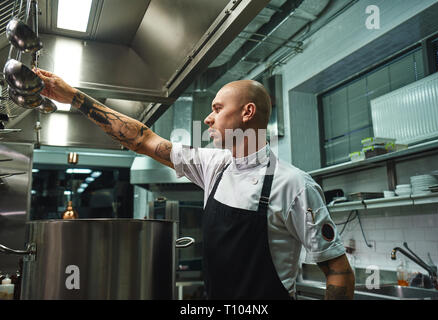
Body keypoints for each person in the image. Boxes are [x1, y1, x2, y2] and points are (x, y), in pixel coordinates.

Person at [33, 68, 355, 300]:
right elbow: (142, 139)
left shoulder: (294, 185)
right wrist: (74, 97)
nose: (208, 119)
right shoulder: (213, 166)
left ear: (248, 113)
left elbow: (339, 271)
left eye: (217, 109)